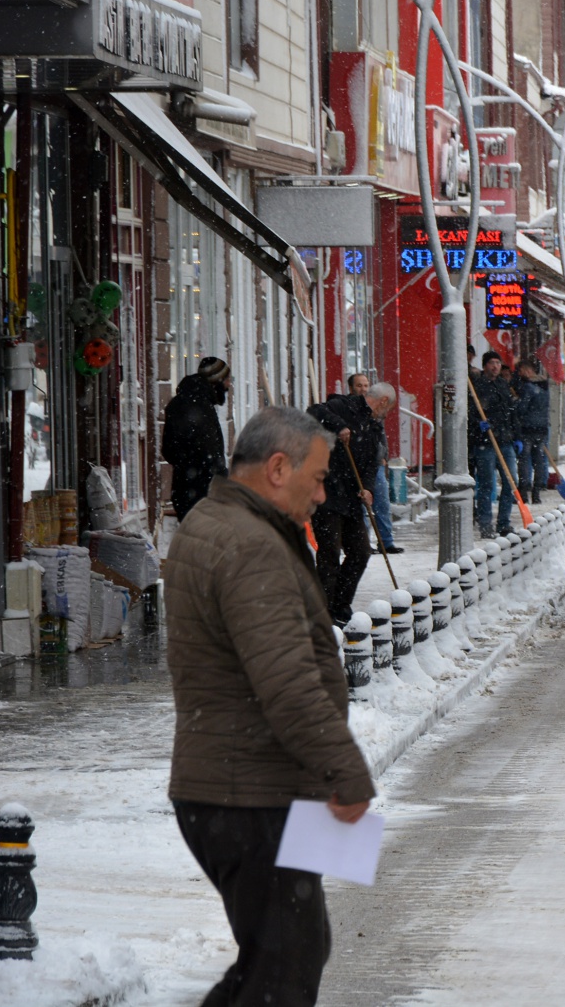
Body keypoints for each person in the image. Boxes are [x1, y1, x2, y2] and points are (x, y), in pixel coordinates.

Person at [163, 405, 375, 1007]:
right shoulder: (250, 545)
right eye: (318, 475)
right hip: (247, 792)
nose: (324, 490)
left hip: (249, 784)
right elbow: (287, 683)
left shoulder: (219, 520)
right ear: (278, 468)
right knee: (283, 967)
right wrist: (347, 771)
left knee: (288, 953)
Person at [307, 384, 393, 624]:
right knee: (330, 553)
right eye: (389, 409)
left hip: (352, 498)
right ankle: (323, 612)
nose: (387, 415)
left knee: (361, 552)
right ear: (383, 401)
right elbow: (313, 411)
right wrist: (339, 426)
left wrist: (368, 488)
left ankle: (340, 604)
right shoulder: (343, 405)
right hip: (327, 492)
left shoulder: (374, 427)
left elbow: (371, 465)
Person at [162, 357, 231, 520]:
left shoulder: (179, 403)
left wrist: (186, 466)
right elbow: (211, 456)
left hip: (184, 492)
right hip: (203, 497)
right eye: (227, 380)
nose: (228, 385)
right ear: (216, 381)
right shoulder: (201, 408)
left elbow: (168, 451)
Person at [348, 374, 402, 555]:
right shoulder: (351, 408)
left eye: (365, 385)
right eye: (359, 385)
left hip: (376, 463)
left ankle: (386, 542)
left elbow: (380, 436)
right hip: (358, 464)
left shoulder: (377, 408)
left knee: (382, 503)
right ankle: (364, 542)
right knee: (363, 504)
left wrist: (383, 455)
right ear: (351, 388)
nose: (363, 389)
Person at [468, 351, 518, 538]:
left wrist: (516, 436)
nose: (495, 366)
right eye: (491, 363)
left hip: (505, 441)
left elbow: (511, 413)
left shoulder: (503, 385)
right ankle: (485, 524)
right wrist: (477, 424)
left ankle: (504, 523)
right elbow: (470, 413)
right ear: (485, 365)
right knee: (487, 485)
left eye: (498, 362)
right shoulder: (477, 387)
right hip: (486, 443)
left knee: (511, 481)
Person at [512, 360, 550, 505]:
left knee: (524, 460)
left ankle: (524, 491)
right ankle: (536, 493)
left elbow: (522, 408)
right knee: (539, 461)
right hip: (542, 428)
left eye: (520, 371)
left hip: (528, 429)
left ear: (527, 371)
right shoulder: (544, 386)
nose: (519, 374)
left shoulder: (528, 387)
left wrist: (515, 403)